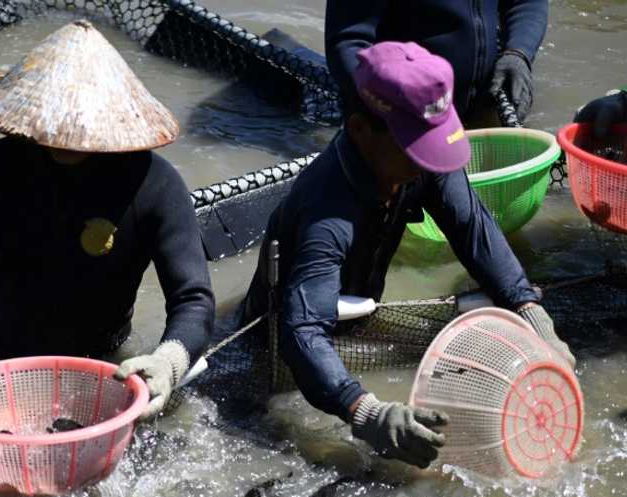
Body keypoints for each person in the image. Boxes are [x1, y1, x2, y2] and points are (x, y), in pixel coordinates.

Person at [241, 42, 573, 468]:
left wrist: (527, 308)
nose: (429, 162)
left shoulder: (419, 163)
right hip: (283, 342)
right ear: (361, 131)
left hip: (358, 318)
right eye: (417, 149)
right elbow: (302, 330)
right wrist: (365, 410)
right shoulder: (325, 208)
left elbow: (471, 226)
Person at [0, 20, 215, 417]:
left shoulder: (155, 185)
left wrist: (167, 363)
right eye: (54, 120)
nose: (63, 135)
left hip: (103, 359)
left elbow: (193, 298)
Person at [325, 0, 548, 124]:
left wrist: (518, 52)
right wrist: (392, 108)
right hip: (402, 127)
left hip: (482, 106)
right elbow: (348, 42)